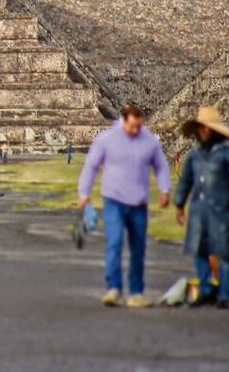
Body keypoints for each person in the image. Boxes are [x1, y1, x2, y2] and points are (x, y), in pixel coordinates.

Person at [77, 105, 171, 308]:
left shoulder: (150, 141)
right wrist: (84, 193)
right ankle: (114, 289)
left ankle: (136, 292)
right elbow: (91, 166)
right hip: (114, 200)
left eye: (139, 126)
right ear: (124, 120)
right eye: (132, 126)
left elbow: (161, 166)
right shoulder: (106, 139)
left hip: (139, 202)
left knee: (138, 249)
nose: (136, 130)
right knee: (115, 244)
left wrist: (165, 189)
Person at [174, 106, 229, 309]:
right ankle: (206, 288)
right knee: (199, 250)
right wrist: (179, 204)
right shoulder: (196, 153)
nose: (203, 131)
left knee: (224, 251)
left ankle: (225, 293)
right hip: (199, 209)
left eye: (206, 128)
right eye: (201, 128)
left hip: (222, 209)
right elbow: (186, 181)